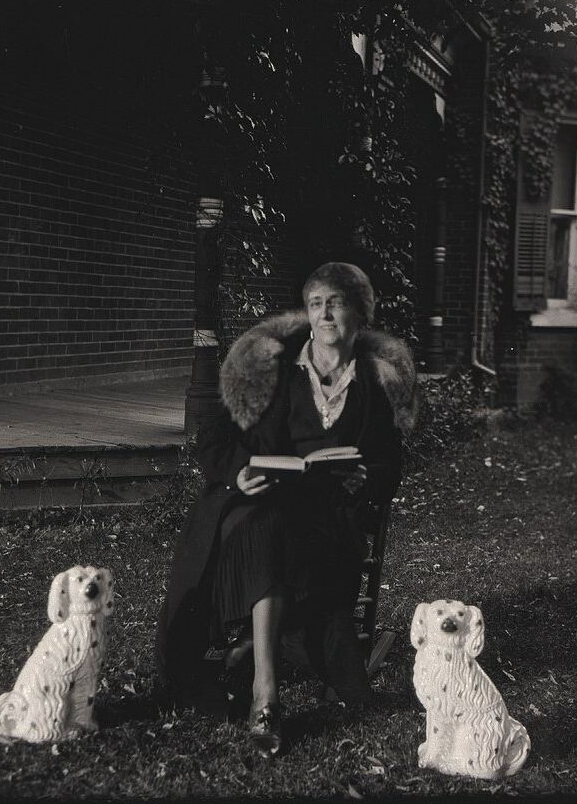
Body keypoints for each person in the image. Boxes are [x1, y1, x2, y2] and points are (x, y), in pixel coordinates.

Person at [154, 262, 418, 757]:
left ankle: (257, 655)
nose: (324, 313)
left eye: (335, 303)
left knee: (277, 532)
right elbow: (214, 440)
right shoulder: (271, 372)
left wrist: (369, 478)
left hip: (329, 518)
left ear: (359, 314)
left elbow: (388, 459)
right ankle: (265, 694)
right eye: (316, 303)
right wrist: (238, 473)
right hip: (262, 501)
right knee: (267, 525)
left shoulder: (372, 386)